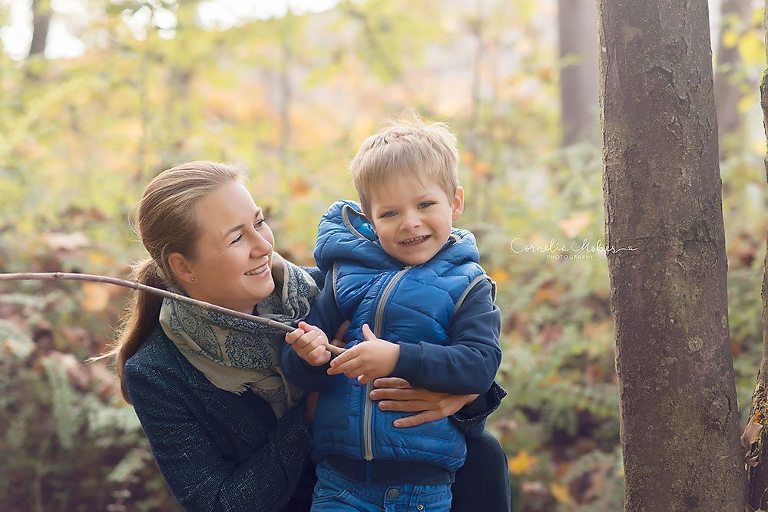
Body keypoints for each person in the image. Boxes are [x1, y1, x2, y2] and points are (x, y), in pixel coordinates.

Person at [108, 161, 509, 512]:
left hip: (404, 485)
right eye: (236, 238)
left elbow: (466, 355)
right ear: (184, 267)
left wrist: (463, 399)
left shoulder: (323, 292)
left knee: (484, 456)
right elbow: (218, 502)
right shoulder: (159, 371)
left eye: (260, 222)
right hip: (320, 499)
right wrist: (311, 410)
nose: (263, 246)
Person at [282, 118, 505, 511]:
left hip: (421, 488)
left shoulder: (468, 284)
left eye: (424, 204)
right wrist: (307, 353)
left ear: (455, 202)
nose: (410, 222)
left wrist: (398, 357)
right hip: (340, 483)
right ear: (370, 220)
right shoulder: (343, 278)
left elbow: (480, 364)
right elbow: (300, 367)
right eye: (390, 213)